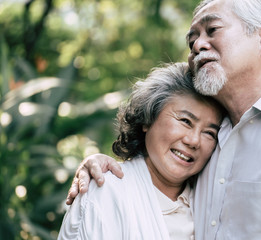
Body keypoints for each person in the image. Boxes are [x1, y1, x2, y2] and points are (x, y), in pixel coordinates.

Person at [66, 0, 261, 239]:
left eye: (212, 30)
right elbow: (150, 186)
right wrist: (97, 165)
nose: (197, 45)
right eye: (192, 39)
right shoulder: (213, 138)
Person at [58, 62, 225, 239]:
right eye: (185, 121)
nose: (194, 141)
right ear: (148, 119)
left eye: (209, 133)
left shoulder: (210, 203)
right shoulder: (107, 192)